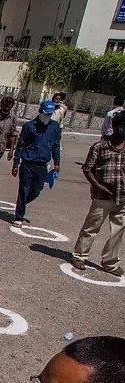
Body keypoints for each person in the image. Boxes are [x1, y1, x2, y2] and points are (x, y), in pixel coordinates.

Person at [72, 112, 125, 277]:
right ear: (114, 126)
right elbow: (88, 168)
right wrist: (97, 185)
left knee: (118, 232)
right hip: (103, 196)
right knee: (91, 227)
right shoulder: (100, 146)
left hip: (122, 198)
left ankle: (110, 262)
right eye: (122, 126)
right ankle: (80, 256)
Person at [12, 100, 61, 228]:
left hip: (42, 165)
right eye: (46, 114)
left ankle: (20, 205)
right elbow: (20, 146)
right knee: (24, 190)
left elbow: (56, 145)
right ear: (40, 112)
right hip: (28, 163)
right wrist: (16, 164)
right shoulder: (29, 126)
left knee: (35, 191)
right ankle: (19, 216)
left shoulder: (54, 127)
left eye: (50, 114)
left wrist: (57, 162)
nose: (47, 117)